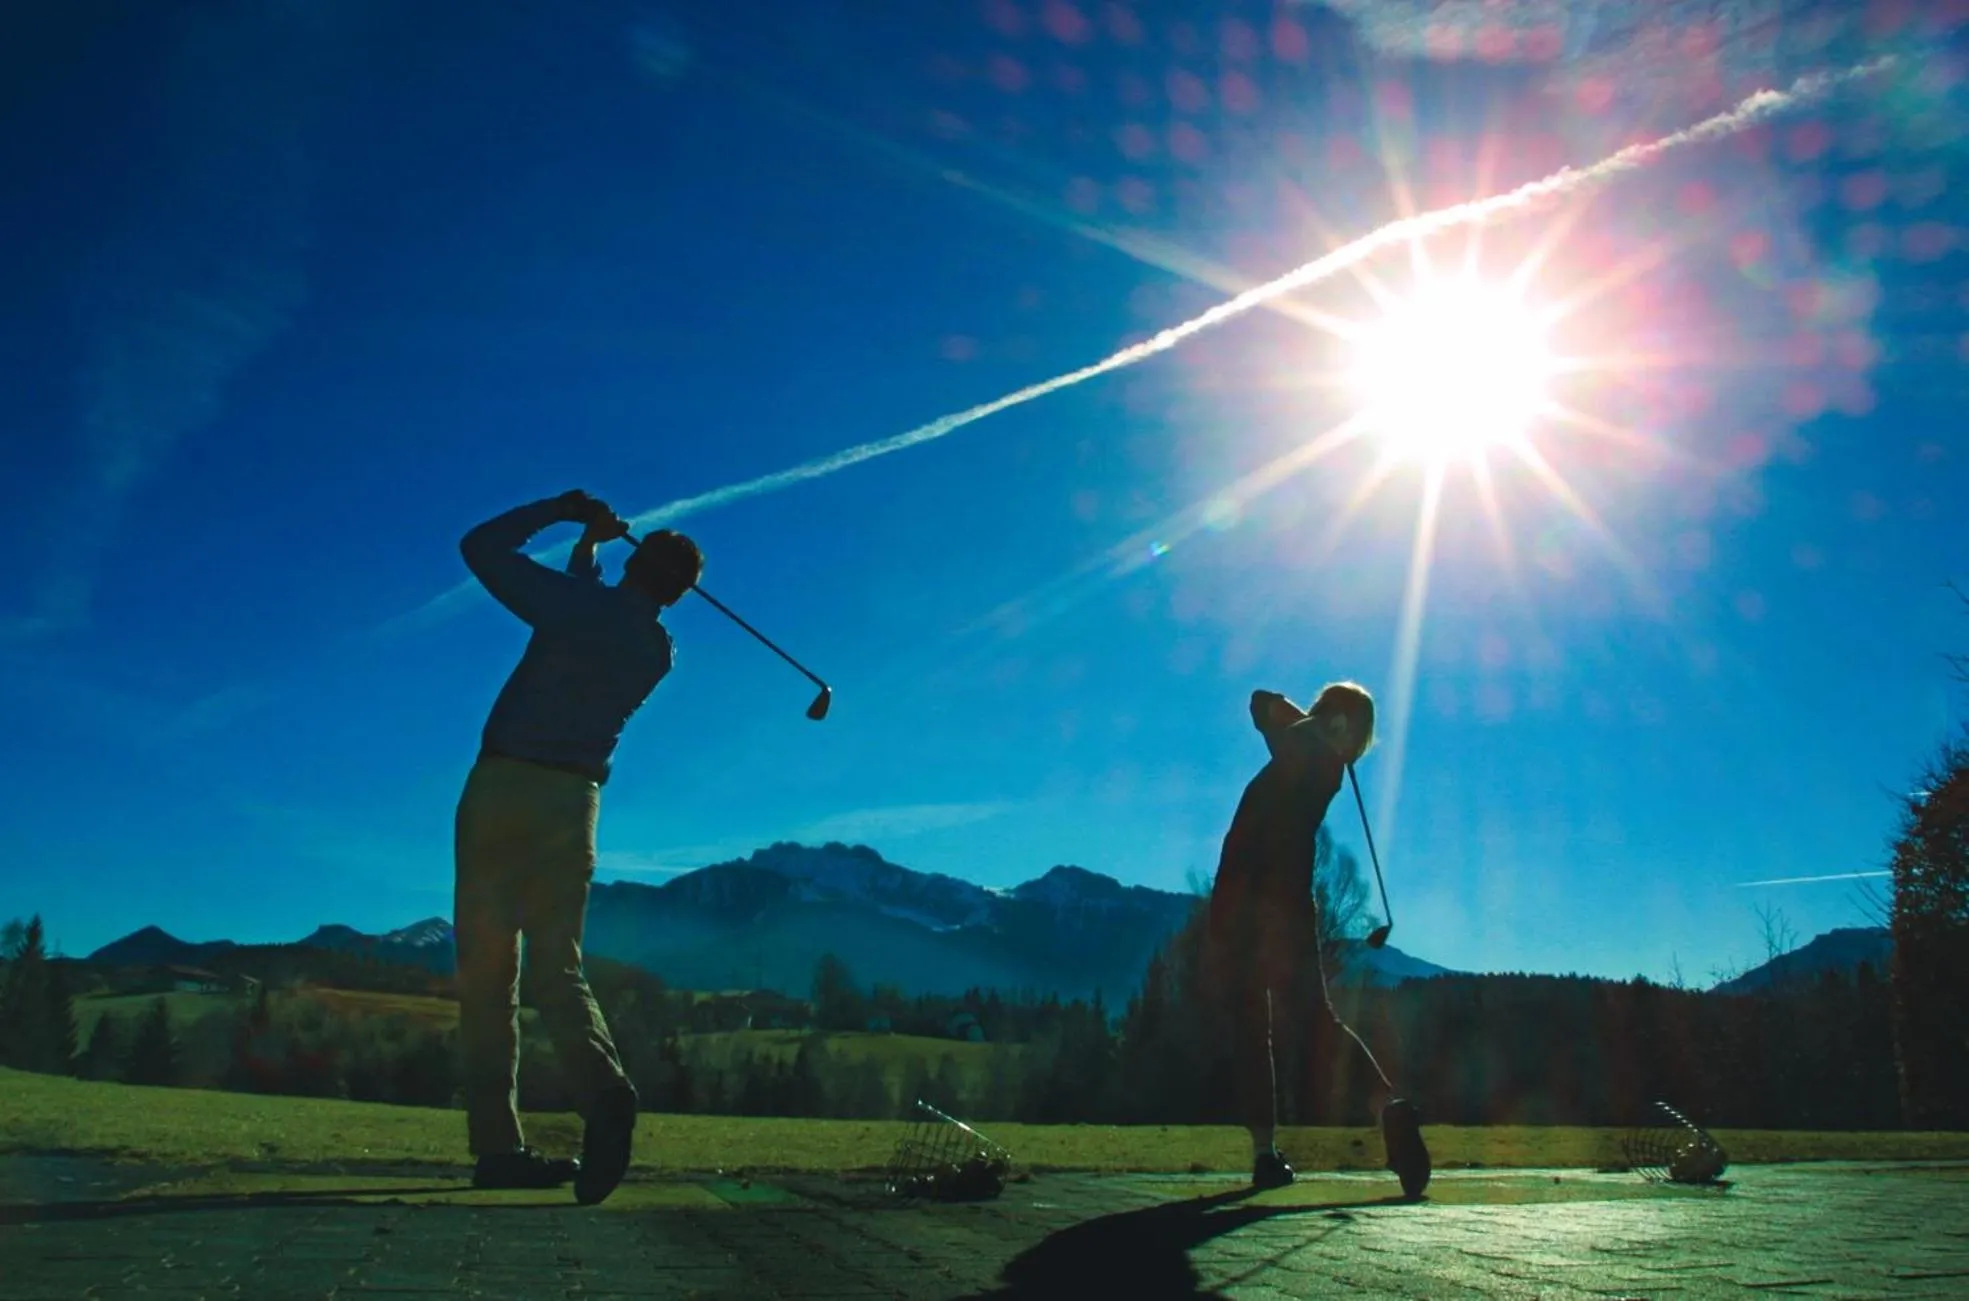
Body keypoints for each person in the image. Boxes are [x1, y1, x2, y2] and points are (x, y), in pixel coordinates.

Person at [453, 489, 703, 1205]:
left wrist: (563, 511)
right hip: (575, 804)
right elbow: (590, 605)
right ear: (677, 594)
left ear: (635, 563)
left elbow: (480, 546)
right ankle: (603, 1091)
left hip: (503, 788)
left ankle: (498, 1147)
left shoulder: (577, 608)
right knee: (557, 967)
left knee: (487, 975)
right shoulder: (657, 650)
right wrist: (590, 546)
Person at [1201, 680, 1376, 1191]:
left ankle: (1388, 1106)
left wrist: (1321, 728)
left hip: (1279, 912)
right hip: (1239, 906)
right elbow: (1261, 702)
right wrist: (1320, 721)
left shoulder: (1320, 763)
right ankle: (1264, 1154)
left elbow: (1265, 710)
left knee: (1310, 1020)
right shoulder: (1305, 745)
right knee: (1252, 1028)